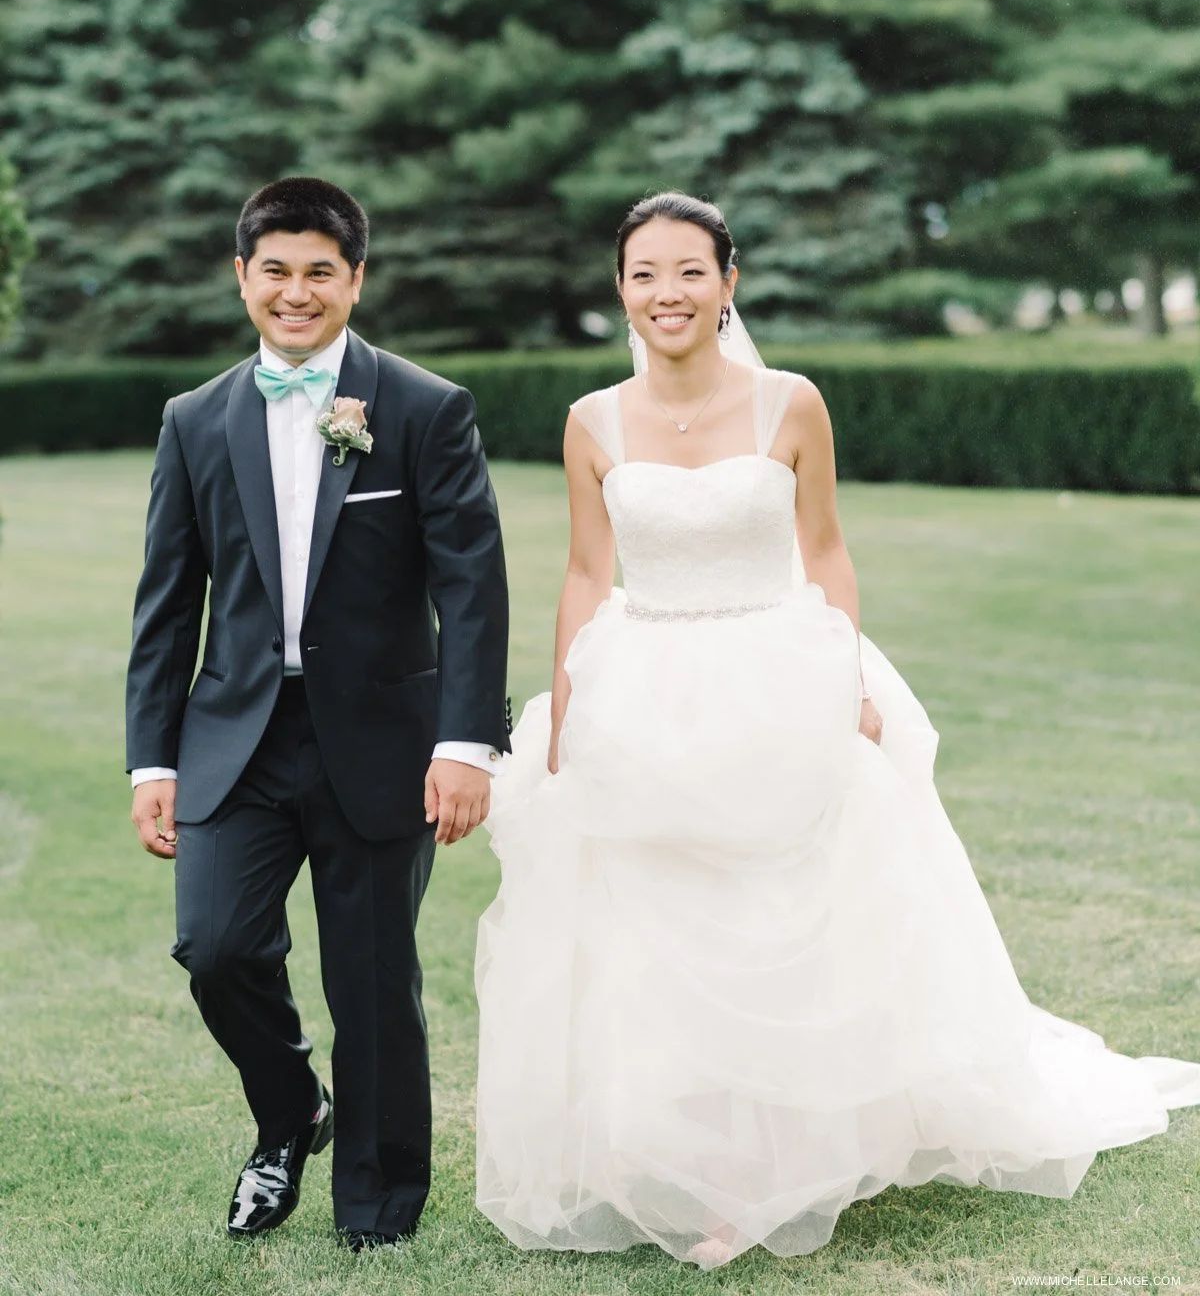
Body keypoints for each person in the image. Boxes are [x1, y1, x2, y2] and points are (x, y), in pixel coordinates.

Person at [474, 189, 1200, 1269]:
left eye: (690, 270)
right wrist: (568, 710)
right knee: (655, 923)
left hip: (775, 675)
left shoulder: (791, 404)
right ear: (620, 289)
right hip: (643, 682)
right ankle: (695, 1154)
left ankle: (776, 1162)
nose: (667, 292)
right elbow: (586, 571)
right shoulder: (592, 421)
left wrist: (846, 676)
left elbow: (826, 552)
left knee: (776, 913)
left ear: (728, 283)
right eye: (644, 273)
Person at [126, 176, 510, 1252]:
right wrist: (151, 760)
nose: (296, 293)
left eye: (319, 273)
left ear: (356, 280)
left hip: (384, 740)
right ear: (242, 276)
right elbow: (168, 602)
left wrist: (465, 742)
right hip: (234, 737)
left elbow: (472, 588)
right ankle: (292, 1108)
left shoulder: (426, 408)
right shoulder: (194, 421)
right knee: (215, 947)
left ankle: (377, 1210)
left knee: (373, 979)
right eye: (276, 271)